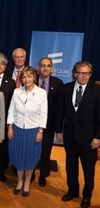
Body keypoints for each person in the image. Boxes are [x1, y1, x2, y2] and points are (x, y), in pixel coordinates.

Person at [56, 61, 100, 208]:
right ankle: (72, 191)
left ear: (90, 74)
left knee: (88, 170)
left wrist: (98, 137)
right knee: (71, 166)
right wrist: (58, 130)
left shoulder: (97, 91)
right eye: (81, 73)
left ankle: (87, 196)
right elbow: (60, 111)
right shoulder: (66, 88)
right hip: (70, 136)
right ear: (75, 74)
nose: (84, 76)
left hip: (89, 139)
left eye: (87, 73)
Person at [7, 66, 47, 197]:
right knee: (18, 155)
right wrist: (10, 127)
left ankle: (27, 182)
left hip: (33, 130)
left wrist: (40, 130)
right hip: (18, 129)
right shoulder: (17, 92)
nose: (27, 79)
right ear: (21, 79)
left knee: (31, 156)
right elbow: (11, 110)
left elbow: (43, 113)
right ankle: (19, 181)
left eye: (29, 76)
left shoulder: (41, 93)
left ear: (34, 77)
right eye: (24, 76)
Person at [36, 58, 63, 187]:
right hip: (32, 122)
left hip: (49, 124)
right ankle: (28, 174)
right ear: (38, 67)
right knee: (32, 149)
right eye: (42, 65)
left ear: (51, 68)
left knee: (45, 151)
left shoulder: (58, 83)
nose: (45, 68)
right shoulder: (31, 79)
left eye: (48, 66)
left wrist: (59, 129)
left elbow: (59, 108)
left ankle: (42, 175)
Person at [0, 53, 16, 183]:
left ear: (6, 66)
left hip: (4, 120)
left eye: (2, 63)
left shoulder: (11, 82)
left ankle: (1, 171)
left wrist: (9, 123)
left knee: (2, 147)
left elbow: (12, 104)